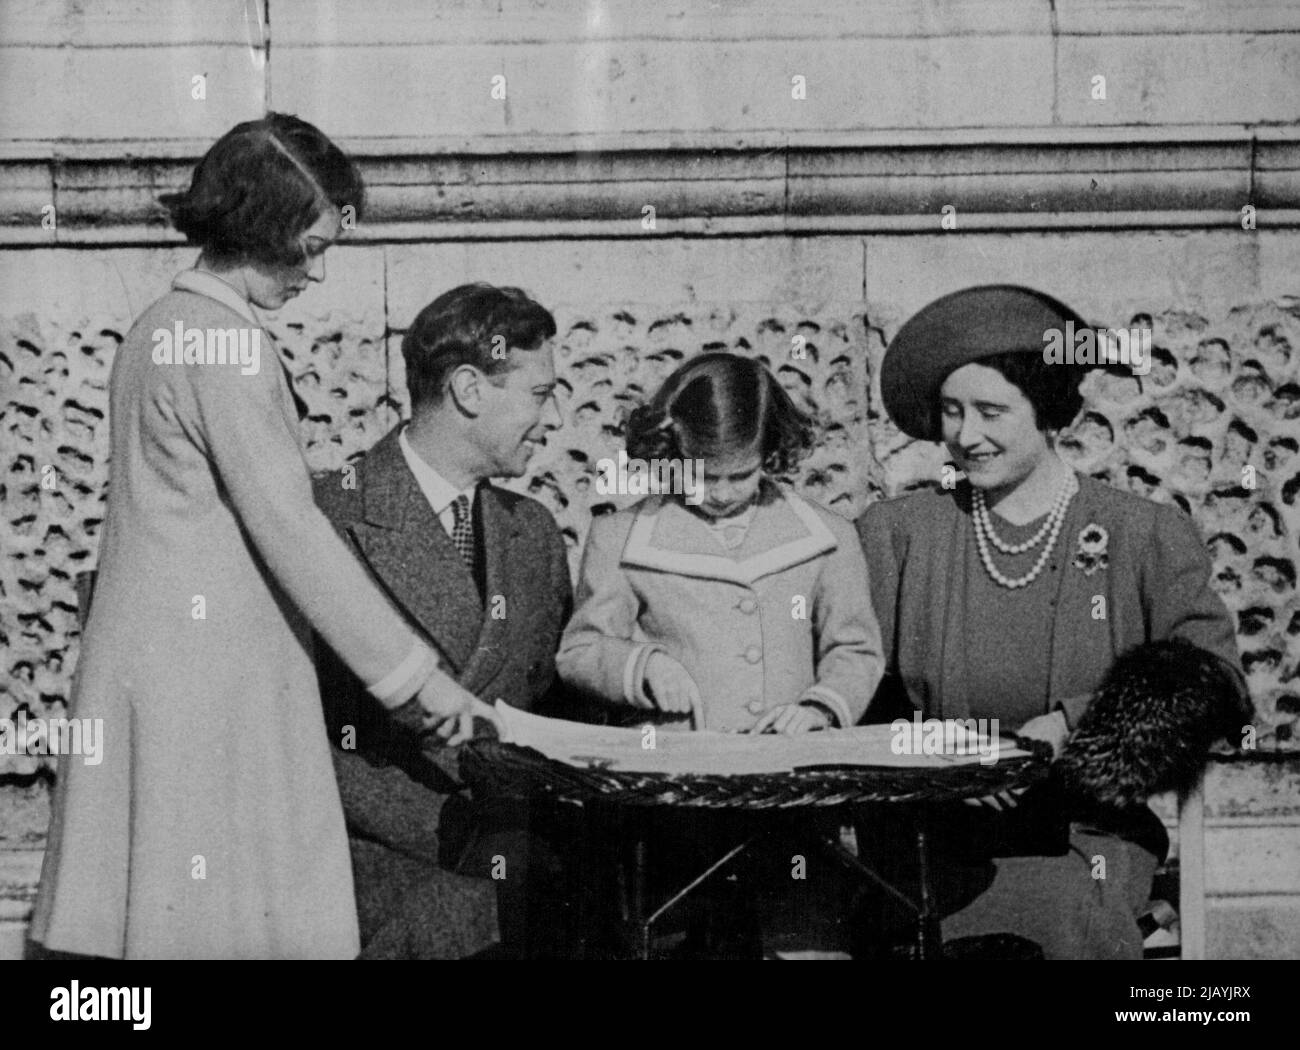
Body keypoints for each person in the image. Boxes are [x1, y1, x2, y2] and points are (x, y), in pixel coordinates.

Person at [29, 114, 490, 960]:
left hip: (165, 666)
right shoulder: (224, 342)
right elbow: (291, 528)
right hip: (212, 679)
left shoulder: (158, 326)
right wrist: (417, 681)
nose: (316, 273)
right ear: (256, 226)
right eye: (307, 247)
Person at [855, 284, 1250, 959]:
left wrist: (1075, 726)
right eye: (952, 412)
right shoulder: (898, 533)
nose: (966, 436)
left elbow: (1214, 686)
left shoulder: (1143, 534)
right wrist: (934, 756)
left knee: (1063, 924)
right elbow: (853, 682)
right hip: (928, 835)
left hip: (1084, 834)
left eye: (991, 411)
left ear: (1049, 414)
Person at [313, 283, 577, 959]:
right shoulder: (323, 519)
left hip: (516, 852)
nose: (553, 419)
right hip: (354, 856)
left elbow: (557, 710)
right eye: (541, 393)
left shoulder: (536, 534)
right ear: (469, 389)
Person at [557, 351, 884, 733]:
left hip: (786, 765)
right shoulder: (620, 538)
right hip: (673, 770)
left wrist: (821, 709)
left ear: (769, 453)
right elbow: (581, 651)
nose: (723, 493)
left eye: (742, 475)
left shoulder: (829, 536)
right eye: (704, 476)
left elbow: (854, 649)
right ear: (671, 454)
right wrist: (643, 665)